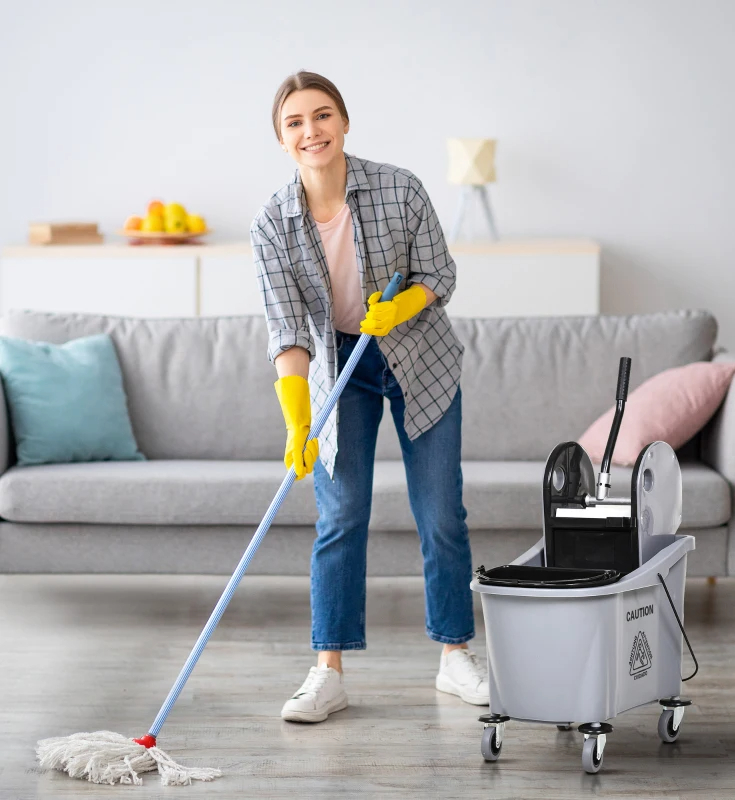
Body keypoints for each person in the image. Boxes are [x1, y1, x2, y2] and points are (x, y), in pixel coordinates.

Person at [250, 71, 487, 723]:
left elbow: (441, 274)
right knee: (341, 513)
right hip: (338, 366)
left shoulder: (399, 189)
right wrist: (298, 422)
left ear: (345, 123)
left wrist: (404, 304)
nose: (311, 131)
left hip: (419, 356)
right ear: (281, 139)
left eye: (322, 116)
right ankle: (329, 672)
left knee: (440, 511)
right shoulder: (272, 223)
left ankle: (455, 656)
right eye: (295, 123)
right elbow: (288, 333)